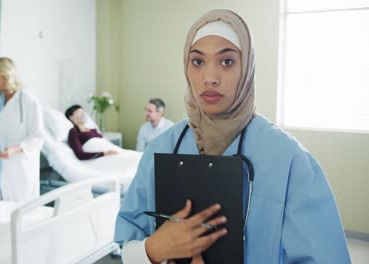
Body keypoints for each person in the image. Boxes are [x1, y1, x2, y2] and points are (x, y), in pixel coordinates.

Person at [115, 9, 350, 263]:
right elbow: (128, 242)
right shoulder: (161, 149)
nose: (210, 78)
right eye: (198, 61)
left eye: (226, 61)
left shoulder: (289, 161)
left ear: (246, 68)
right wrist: (153, 250)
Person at [0, 57, 44, 202]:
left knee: (20, 213)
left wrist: (15, 149)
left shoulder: (28, 101)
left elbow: (37, 137)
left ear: (5, 75)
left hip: (17, 167)